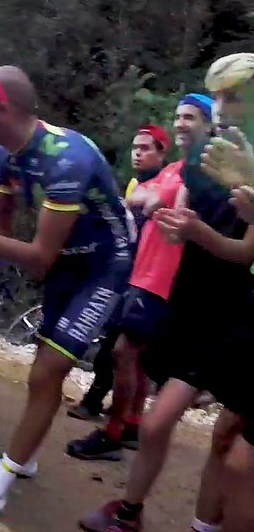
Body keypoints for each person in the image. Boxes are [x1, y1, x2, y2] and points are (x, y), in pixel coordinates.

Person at [0, 65, 131, 519]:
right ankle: (24, 457)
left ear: (3, 107)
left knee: (46, 371)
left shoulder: (66, 159)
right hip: (69, 261)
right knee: (43, 368)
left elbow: (37, 257)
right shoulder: (6, 156)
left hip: (105, 265)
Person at [83, 55, 254, 532]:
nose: (220, 110)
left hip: (233, 315)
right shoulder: (203, 164)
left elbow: (245, 251)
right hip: (192, 307)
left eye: (230, 99)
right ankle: (136, 516)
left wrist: (195, 228)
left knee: (226, 443)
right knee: (173, 425)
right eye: (214, 99)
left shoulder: (243, 165)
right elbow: (159, 192)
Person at [66, 122, 177, 455]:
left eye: (146, 148)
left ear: (162, 152)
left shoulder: (168, 180)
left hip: (153, 278)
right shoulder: (136, 183)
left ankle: (114, 428)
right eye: (135, 147)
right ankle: (131, 423)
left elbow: (150, 207)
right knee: (130, 355)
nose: (138, 153)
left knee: (121, 352)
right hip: (132, 274)